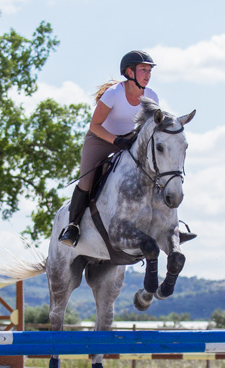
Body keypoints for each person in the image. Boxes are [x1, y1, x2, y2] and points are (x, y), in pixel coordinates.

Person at [58, 50, 159, 247]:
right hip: (101, 139)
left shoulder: (152, 96)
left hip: (131, 141)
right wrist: (115, 141)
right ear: (129, 72)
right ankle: (73, 226)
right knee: (87, 180)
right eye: (143, 70)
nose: (148, 75)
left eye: (149, 71)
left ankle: (165, 226)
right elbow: (94, 126)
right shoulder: (114, 95)